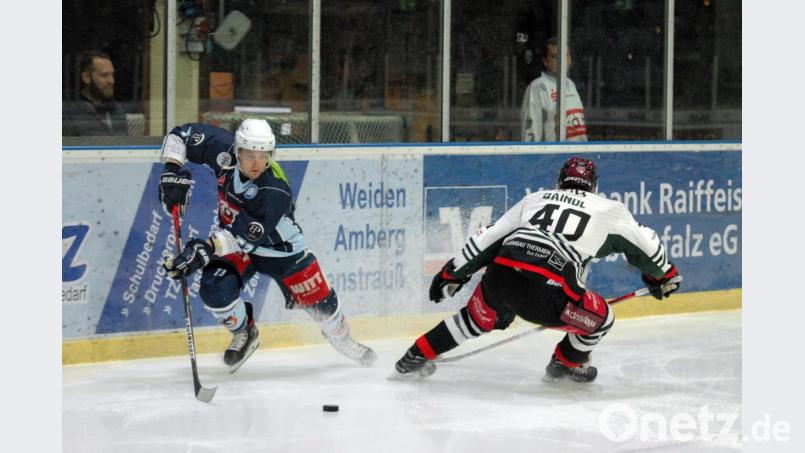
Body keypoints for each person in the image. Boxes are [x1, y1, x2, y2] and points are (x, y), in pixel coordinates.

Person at [391, 157, 681, 383]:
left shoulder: (536, 199)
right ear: (594, 187)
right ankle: (565, 363)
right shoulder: (609, 210)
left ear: (559, 182)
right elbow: (650, 249)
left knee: (473, 319)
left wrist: (452, 273)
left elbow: (488, 238)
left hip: (502, 277)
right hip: (551, 294)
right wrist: (663, 275)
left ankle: (414, 355)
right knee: (603, 319)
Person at [158, 119, 377, 372]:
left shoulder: (274, 189)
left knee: (324, 307)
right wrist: (171, 170)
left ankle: (344, 340)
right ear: (237, 150)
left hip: (282, 252)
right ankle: (245, 332)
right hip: (240, 250)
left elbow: (244, 236)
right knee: (214, 289)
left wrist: (203, 249)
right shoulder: (222, 152)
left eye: (263, 156)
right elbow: (180, 135)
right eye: (249, 155)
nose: (256, 163)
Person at [521, 38, 588, 142]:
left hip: (576, 157)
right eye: (554, 56)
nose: (561, 60)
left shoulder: (571, 85)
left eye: (565, 55)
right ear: (545, 61)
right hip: (553, 157)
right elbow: (530, 135)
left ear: (570, 59)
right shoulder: (537, 87)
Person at [63, 50, 128, 137]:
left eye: (112, 75)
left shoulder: (117, 111)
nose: (112, 81)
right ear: (86, 77)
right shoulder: (69, 114)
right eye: (104, 75)